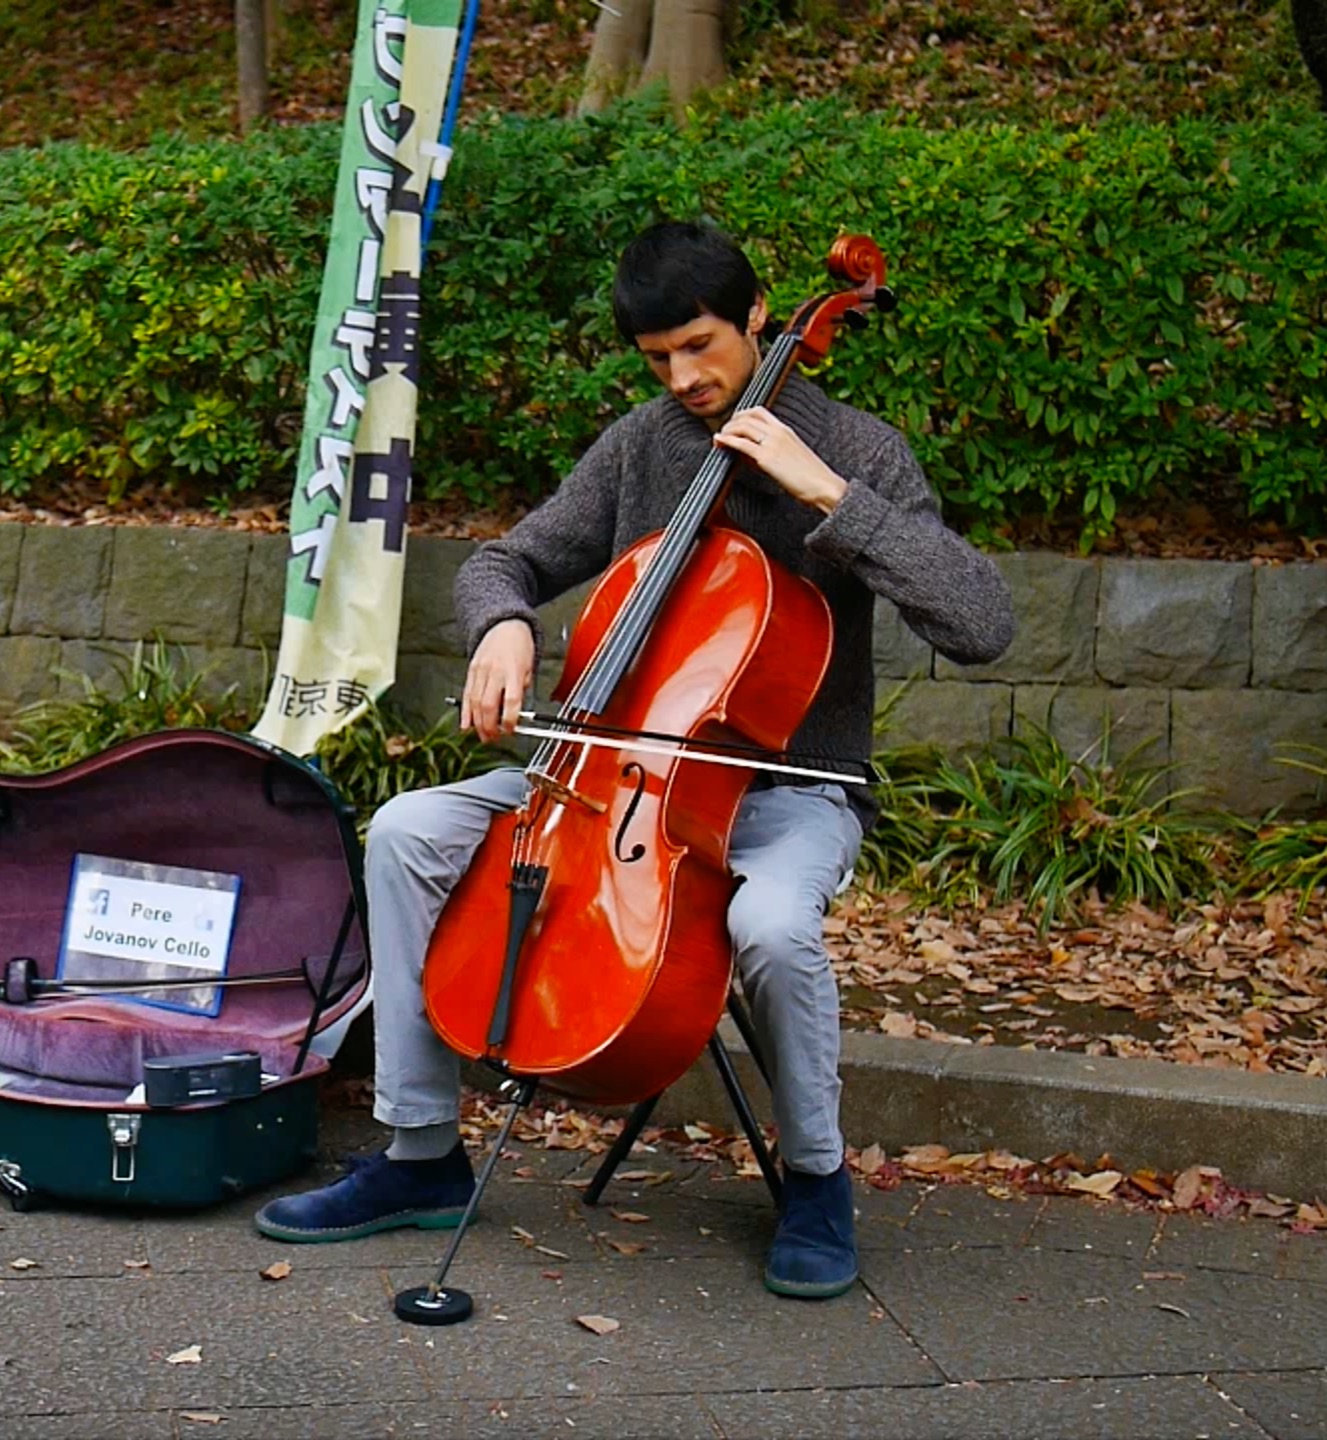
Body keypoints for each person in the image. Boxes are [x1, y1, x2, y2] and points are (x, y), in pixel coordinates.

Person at [253, 219, 1015, 1299]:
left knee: (771, 925)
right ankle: (419, 1151)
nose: (685, 377)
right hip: (613, 781)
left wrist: (829, 497)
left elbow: (982, 621)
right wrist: (503, 622)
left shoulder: (859, 448)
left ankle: (815, 1180)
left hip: (789, 792)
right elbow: (507, 557)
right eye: (659, 359)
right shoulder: (644, 443)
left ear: (758, 316)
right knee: (407, 831)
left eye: (701, 346)